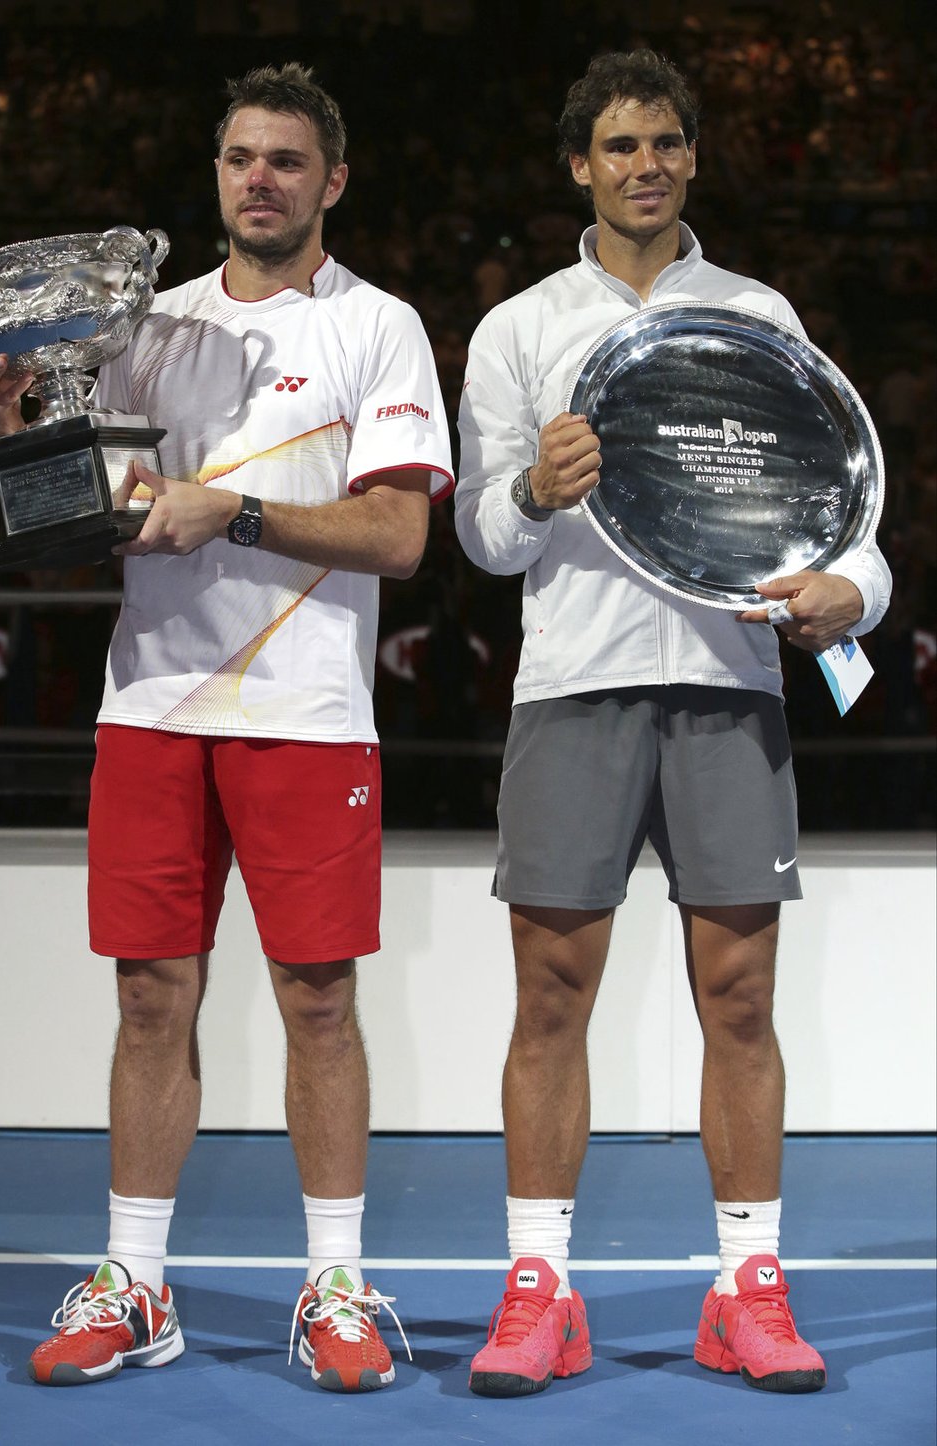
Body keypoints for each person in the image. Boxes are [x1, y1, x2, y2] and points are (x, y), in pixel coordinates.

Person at [0, 62, 453, 1393]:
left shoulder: (377, 327)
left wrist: (231, 509)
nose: (261, 179)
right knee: (147, 993)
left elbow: (400, 534)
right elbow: (79, 525)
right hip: (152, 705)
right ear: (216, 174)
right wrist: (11, 433)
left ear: (331, 180)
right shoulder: (142, 325)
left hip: (307, 717)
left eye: (287, 159)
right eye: (240, 157)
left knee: (319, 1000)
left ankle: (334, 1282)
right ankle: (136, 1280)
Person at [454, 48, 891, 1400]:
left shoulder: (758, 311)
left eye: (664, 142)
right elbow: (478, 535)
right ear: (576, 165)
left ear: (691, 158)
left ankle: (748, 1288)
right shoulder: (519, 327)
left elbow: (843, 519)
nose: (642, 163)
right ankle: (538, 1290)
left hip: (728, 691)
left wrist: (846, 595)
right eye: (616, 145)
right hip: (570, 688)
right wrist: (531, 484)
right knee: (548, 995)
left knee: (740, 998)